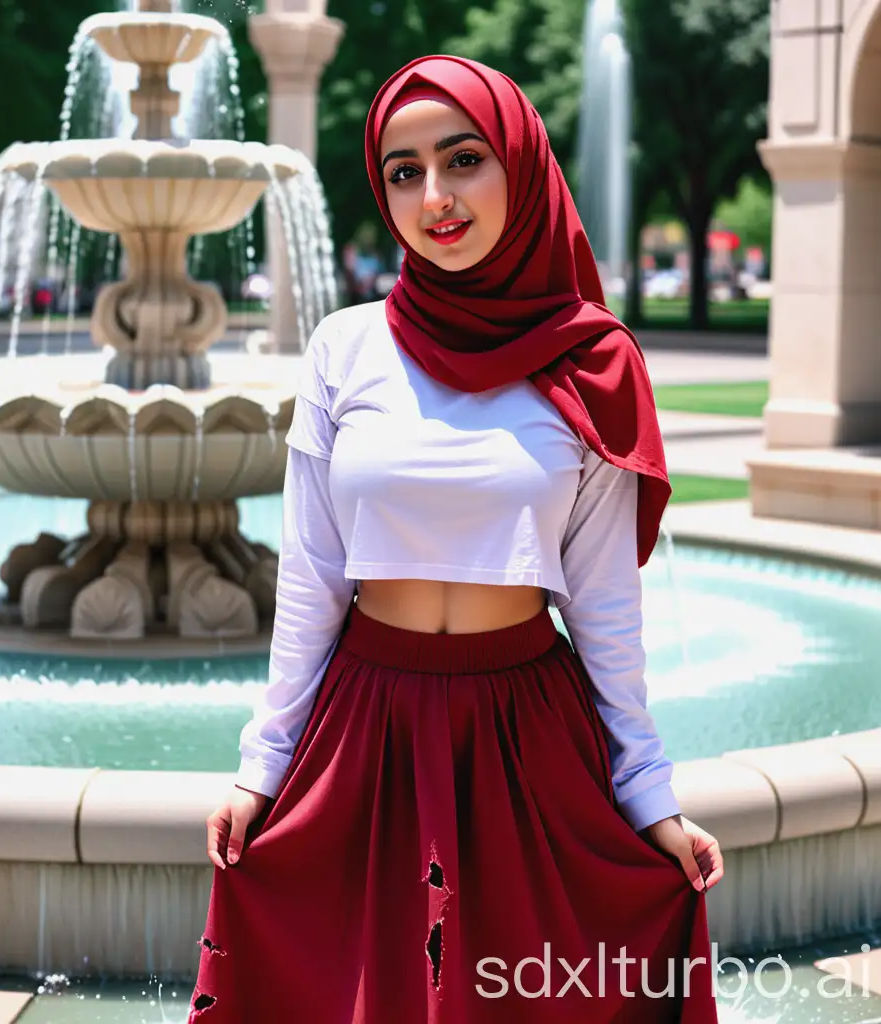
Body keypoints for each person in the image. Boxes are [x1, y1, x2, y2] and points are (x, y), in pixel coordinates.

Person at [189, 55, 724, 1024]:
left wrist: (649, 795)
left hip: (525, 739)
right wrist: (258, 769)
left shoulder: (591, 358)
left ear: (519, 164)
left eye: (462, 158)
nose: (434, 196)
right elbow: (309, 579)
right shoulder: (344, 348)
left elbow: (603, 603)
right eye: (403, 171)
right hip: (361, 734)